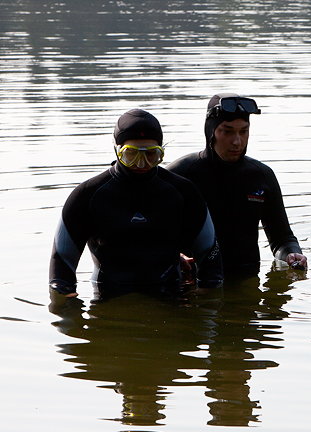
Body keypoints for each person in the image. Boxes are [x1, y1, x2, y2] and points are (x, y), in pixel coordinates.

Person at [49, 109, 223, 301]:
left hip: (171, 300)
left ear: (161, 151)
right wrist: (68, 307)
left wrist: (207, 305)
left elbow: (210, 261)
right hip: (108, 302)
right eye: (131, 154)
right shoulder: (88, 195)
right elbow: (61, 268)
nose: (142, 164)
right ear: (116, 149)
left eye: (151, 155)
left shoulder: (183, 193)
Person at [167, 93, 306, 278]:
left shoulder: (262, 176)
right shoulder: (181, 175)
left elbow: (282, 239)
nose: (237, 141)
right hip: (195, 284)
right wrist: (171, 256)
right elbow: (149, 234)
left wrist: (291, 254)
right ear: (211, 132)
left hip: (247, 282)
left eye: (243, 131)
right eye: (227, 131)